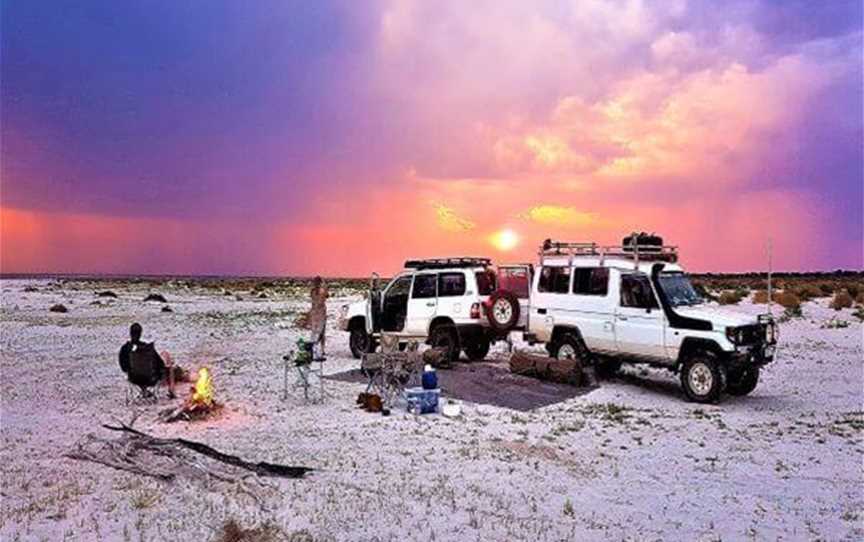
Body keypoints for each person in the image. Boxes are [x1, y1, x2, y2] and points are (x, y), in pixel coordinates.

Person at [119, 322, 177, 398]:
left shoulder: (125, 348)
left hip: (133, 378)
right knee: (169, 366)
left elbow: (123, 366)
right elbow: (160, 363)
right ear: (140, 333)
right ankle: (171, 391)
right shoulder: (147, 348)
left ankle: (144, 391)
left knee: (139, 372)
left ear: (130, 333)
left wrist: (129, 371)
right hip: (150, 379)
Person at [309, 276, 329, 358]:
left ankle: (315, 348)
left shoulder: (313, 291)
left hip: (315, 312)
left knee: (315, 331)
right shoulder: (322, 291)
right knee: (321, 332)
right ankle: (321, 350)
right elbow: (327, 296)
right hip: (320, 312)